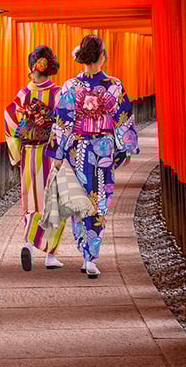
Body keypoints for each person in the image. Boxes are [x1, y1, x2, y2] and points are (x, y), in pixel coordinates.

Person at [45, 35, 140, 279]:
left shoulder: (69, 87)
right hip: (104, 148)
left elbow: (63, 121)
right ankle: (91, 256)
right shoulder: (114, 86)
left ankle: (85, 252)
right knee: (99, 202)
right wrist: (126, 147)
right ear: (102, 57)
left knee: (82, 201)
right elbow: (123, 118)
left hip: (79, 150)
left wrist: (58, 152)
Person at [4, 45, 66, 271]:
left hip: (29, 152)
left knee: (32, 199)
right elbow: (64, 124)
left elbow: (11, 121)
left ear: (33, 67)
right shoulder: (59, 93)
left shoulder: (23, 94)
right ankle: (51, 256)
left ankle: (29, 244)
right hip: (51, 152)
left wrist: (16, 150)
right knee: (55, 201)